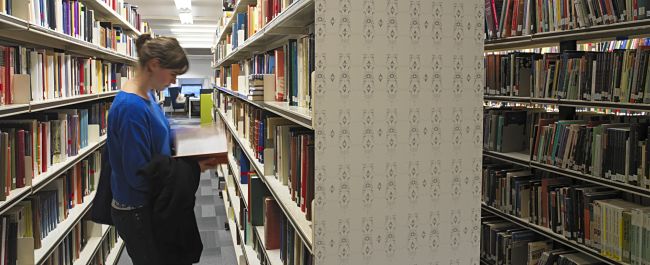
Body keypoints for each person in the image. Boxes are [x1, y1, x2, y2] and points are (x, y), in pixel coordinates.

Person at [106, 33, 220, 265]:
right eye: (173, 74)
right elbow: (139, 175)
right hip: (139, 210)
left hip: (150, 204)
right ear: (154, 65)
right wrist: (191, 168)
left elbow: (160, 140)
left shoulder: (146, 96)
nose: (174, 82)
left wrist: (194, 144)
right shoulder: (131, 108)